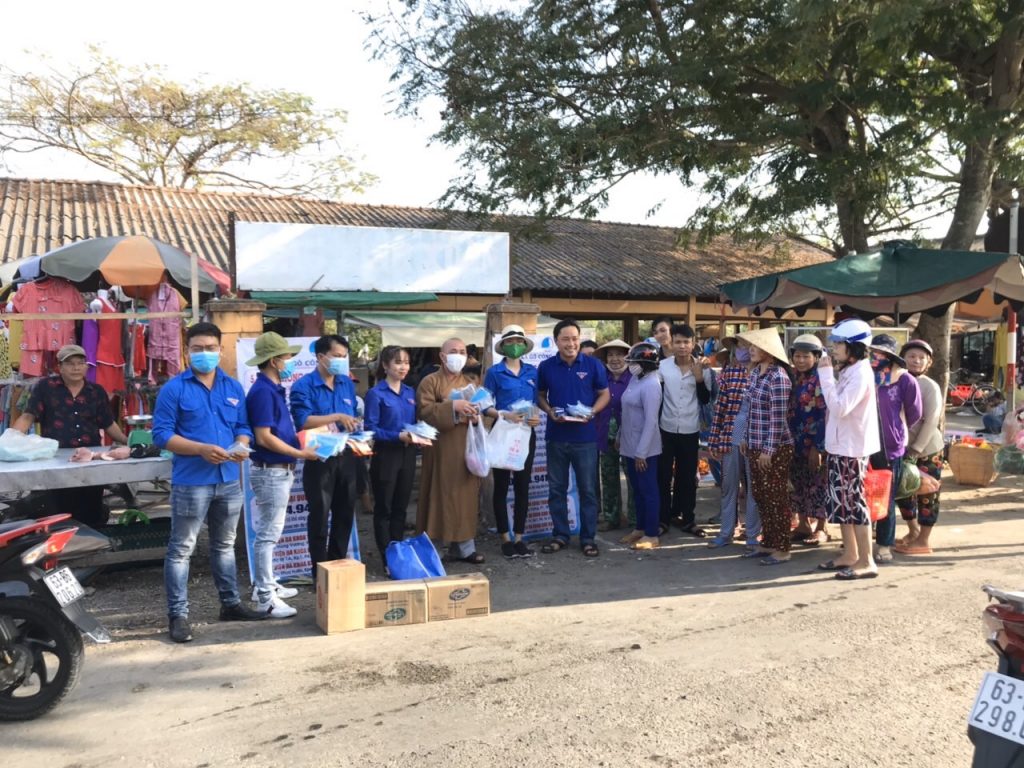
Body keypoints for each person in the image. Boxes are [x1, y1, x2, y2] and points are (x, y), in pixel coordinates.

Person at [153, 323, 264, 643]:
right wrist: (200, 449)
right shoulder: (174, 389)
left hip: (229, 479)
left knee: (225, 547)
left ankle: (230, 605)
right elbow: (162, 435)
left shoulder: (232, 387)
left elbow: (244, 425)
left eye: (211, 348)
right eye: (198, 348)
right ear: (187, 352)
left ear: (221, 350)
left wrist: (241, 444)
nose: (205, 354)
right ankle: (178, 615)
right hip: (191, 482)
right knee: (181, 549)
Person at [244, 332, 320, 619]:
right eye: (287, 357)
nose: (290, 361)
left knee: (269, 532)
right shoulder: (263, 391)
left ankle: (267, 584)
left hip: (278, 470)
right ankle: (266, 597)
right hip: (271, 471)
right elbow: (263, 438)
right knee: (268, 535)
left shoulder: (273, 388)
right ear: (274, 361)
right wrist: (301, 454)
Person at [14, 343, 129, 527]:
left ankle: (93, 544)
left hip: (91, 459)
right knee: (58, 509)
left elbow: (108, 423)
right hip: (56, 459)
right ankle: (62, 546)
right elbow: (28, 416)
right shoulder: (45, 388)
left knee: (91, 506)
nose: (76, 368)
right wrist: (10, 440)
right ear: (59, 367)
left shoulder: (96, 392)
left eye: (80, 363)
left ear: (86, 366)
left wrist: (128, 442)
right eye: (70, 363)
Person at [289, 334, 362, 578]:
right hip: (319, 458)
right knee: (320, 515)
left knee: (345, 513)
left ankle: (338, 566)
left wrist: (352, 423)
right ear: (321, 357)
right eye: (337, 356)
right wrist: (337, 417)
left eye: (344, 357)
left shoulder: (346, 383)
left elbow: (350, 415)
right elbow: (304, 421)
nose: (341, 361)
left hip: (346, 454)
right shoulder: (303, 385)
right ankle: (319, 571)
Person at [537, 318, 610, 557]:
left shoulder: (592, 365)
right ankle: (560, 534)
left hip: (585, 438)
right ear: (556, 341)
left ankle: (588, 538)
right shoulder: (546, 366)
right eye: (565, 339)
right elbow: (539, 395)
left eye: (575, 338)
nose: (571, 343)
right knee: (556, 489)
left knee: (588, 490)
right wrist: (549, 411)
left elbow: (604, 394)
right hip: (556, 437)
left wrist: (592, 412)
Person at [816, 318, 881, 580]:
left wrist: (825, 375)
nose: (834, 348)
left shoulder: (861, 373)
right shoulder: (851, 370)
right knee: (842, 503)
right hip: (842, 446)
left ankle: (866, 560)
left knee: (854, 503)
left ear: (853, 347)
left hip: (852, 449)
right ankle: (850, 554)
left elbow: (840, 407)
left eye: (839, 344)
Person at [416, 338, 485, 563]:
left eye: (462, 351)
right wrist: (452, 407)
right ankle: (433, 548)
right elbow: (424, 411)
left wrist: (475, 416)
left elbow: (481, 413)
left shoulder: (470, 383)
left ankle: (464, 548)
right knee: (438, 496)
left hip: (465, 448)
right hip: (439, 449)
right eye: (453, 351)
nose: (458, 355)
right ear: (442, 356)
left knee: (465, 498)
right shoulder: (430, 381)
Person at [735, 328, 794, 565]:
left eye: (756, 346)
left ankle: (783, 546)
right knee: (760, 495)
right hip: (755, 444)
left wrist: (768, 450)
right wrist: (746, 438)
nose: (751, 349)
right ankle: (769, 542)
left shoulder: (779, 377)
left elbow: (777, 418)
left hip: (775, 448)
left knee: (775, 497)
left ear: (769, 351)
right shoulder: (756, 374)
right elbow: (751, 411)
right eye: (750, 346)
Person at [483, 325, 541, 558]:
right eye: (510, 341)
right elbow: (484, 405)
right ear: (503, 345)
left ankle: (519, 537)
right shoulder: (494, 373)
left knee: (522, 486)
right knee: (501, 486)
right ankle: (505, 538)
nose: (514, 344)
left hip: (526, 433)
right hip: (503, 432)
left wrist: (535, 417)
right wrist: (502, 414)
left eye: (519, 340)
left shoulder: (533, 372)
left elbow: (537, 401)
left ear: (524, 346)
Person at [868, 334, 922, 564]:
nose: (876, 357)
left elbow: (915, 412)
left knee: (885, 497)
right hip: (862, 444)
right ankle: (860, 540)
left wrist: (896, 429)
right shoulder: (864, 375)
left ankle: (884, 544)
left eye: (882, 353)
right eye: (873, 352)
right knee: (863, 494)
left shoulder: (905, 379)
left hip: (891, 447)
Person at [364, 345, 418, 571]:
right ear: (385, 366)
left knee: (401, 507)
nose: (403, 367)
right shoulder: (376, 394)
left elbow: (414, 423)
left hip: (408, 453)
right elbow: (371, 429)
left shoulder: (410, 392)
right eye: (397, 362)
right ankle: (387, 558)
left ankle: (398, 554)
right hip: (386, 455)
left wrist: (419, 433)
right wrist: (397, 435)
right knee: (384, 508)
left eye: (406, 362)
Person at [658, 323, 713, 537]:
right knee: (663, 476)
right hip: (666, 427)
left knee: (688, 476)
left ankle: (688, 519)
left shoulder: (702, 367)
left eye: (686, 342)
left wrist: (699, 377)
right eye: (678, 342)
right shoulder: (662, 367)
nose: (682, 346)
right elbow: (658, 397)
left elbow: (706, 398)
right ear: (672, 343)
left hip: (690, 430)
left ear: (693, 344)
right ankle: (663, 519)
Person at [707, 336, 760, 549]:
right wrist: (714, 439)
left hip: (755, 439)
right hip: (730, 438)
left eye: (748, 347)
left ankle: (753, 534)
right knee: (728, 487)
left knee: (753, 488)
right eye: (740, 347)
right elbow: (719, 408)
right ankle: (726, 532)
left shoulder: (764, 374)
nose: (744, 351)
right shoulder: (730, 373)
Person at [894, 339, 945, 556]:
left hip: (927, 449)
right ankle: (913, 531)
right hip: (902, 448)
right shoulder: (896, 381)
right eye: (911, 356)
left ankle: (924, 539)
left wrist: (916, 449)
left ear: (928, 362)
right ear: (902, 359)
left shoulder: (929, 386)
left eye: (921, 357)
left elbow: (932, 420)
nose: (916, 360)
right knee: (904, 491)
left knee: (927, 494)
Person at [617, 342, 663, 550]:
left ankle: (652, 534)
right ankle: (640, 528)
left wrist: (642, 453)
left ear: (645, 364)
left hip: (644, 449)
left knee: (648, 490)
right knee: (636, 489)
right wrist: (619, 434)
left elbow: (651, 421)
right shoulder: (636, 379)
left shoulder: (652, 385)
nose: (631, 365)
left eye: (634, 362)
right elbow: (626, 409)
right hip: (629, 444)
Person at [787, 334, 829, 546]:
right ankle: (803, 524)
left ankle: (821, 528)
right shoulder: (793, 376)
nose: (800, 360)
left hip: (815, 442)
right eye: (797, 356)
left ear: (816, 357)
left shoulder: (821, 378)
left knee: (818, 484)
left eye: (806, 356)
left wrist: (818, 448)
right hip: (795, 440)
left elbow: (824, 414)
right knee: (799, 483)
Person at [593, 339, 636, 532]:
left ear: (627, 356)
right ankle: (612, 517)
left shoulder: (635, 378)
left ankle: (636, 518)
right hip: (604, 435)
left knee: (633, 478)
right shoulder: (601, 378)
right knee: (609, 477)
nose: (615, 359)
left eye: (619, 354)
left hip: (629, 436)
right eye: (611, 355)